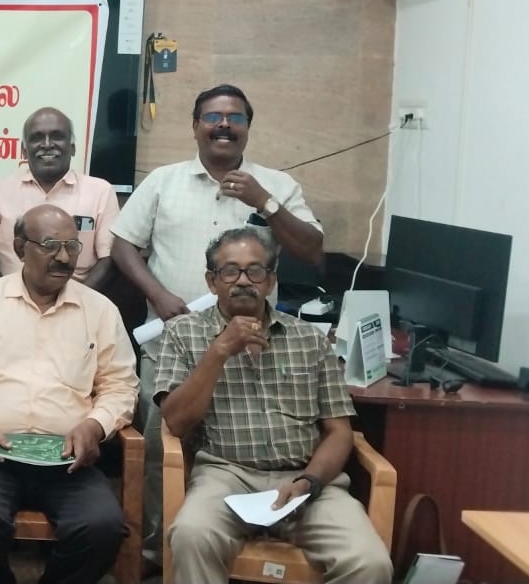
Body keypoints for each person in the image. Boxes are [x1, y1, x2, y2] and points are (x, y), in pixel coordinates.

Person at [109, 83, 325, 564]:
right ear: (195, 126)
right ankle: (158, 553)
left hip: (253, 349)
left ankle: (229, 549)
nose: (223, 124)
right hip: (172, 342)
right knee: (160, 450)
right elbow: (122, 244)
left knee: (236, 453)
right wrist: (158, 295)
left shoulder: (275, 184)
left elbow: (312, 250)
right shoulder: (164, 181)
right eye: (212, 116)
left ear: (248, 127)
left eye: (235, 117)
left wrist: (265, 202)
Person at [156, 227, 392, 583]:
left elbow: (339, 431)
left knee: (370, 562)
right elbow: (175, 422)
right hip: (225, 476)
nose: (243, 280)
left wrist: (308, 481)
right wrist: (219, 350)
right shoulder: (181, 333)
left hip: (306, 480)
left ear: (270, 281)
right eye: (230, 271)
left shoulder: (310, 339)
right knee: (192, 535)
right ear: (212, 281)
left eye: (255, 271)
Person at [0, 204, 140, 584]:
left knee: (102, 526)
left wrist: (96, 425)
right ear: (18, 247)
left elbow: (120, 385)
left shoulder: (100, 310)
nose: (63, 257)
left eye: (72, 247)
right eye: (50, 245)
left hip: (67, 459)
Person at [0, 106, 120, 291]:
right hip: (11, 300)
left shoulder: (101, 192)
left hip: (78, 300)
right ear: (24, 150)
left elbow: (108, 260)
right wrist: (2, 299)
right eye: (36, 137)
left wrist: (78, 301)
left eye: (57, 136)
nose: (47, 144)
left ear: (72, 147)